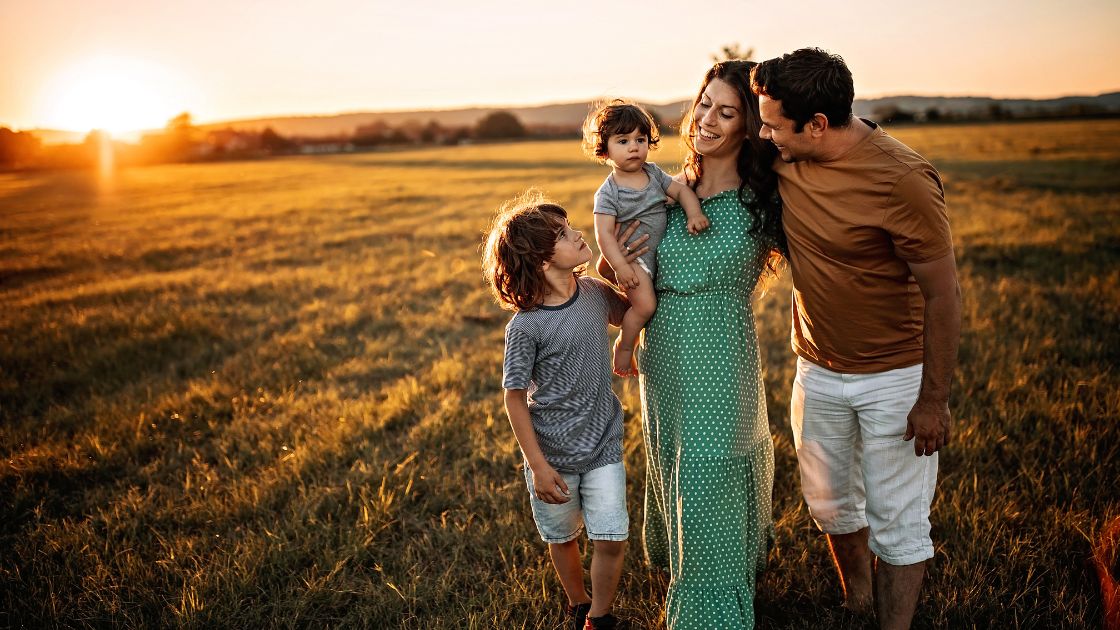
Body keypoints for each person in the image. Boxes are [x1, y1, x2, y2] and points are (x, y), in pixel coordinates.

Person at [751, 48, 961, 630]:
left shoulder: (904, 180)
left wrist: (933, 398)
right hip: (816, 369)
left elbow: (944, 296)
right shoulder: (782, 157)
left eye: (772, 123)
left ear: (817, 125)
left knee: (898, 522)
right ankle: (857, 602)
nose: (763, 134)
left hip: (893, 377)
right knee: (830, 504)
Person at [603, 60, 784, 629]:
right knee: (679, 464)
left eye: (726, 111)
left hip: (723, 355)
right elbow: (633, 284)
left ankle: (710, 610)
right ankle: (698, 566)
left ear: (749, 126)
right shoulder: (660, 191)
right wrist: (618, 274)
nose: (707, 119)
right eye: (705, 103)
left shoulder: (767, 199)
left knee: (711, 467)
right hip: (664, 359)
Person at [482, 192, 631, 630]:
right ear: (542, 260)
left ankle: (600, 618)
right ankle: (579, 603)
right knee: (563, 537)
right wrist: (538, 465)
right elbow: (514, 397)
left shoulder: (594, 293)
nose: (579, 232)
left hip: (602, 443)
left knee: (611, 537)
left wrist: (622, 268)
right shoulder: (526, 326)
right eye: (565, 235)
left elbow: (633, 312)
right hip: (550, 455)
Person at [581, 100, 708, 377]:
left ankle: (630, 339)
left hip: (654, 256)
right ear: (605, 149)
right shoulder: (608, 193)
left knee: (647, 304)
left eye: (640, 139)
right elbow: (604, 236)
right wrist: (621, 267)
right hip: (635, 259)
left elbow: (682, 192)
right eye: (623, 140)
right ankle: (625, 347)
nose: (634, 146)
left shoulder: (653, 173)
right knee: (645, 306)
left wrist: (694, 213)